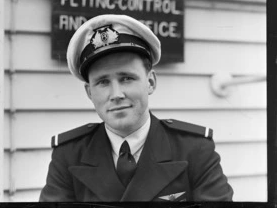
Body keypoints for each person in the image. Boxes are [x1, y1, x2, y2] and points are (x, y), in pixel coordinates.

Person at [39, 14, 233, 202]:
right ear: (90, 92)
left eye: (127, 78)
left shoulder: (194, 150)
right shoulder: (69, 155)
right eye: (103, 82)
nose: (116, 94)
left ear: (150, 82)